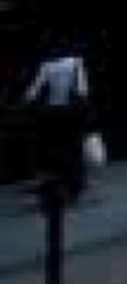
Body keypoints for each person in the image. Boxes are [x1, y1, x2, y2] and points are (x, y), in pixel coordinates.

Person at [25, 44, 92, 199]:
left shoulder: (47, 65)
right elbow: (83, 89)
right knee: (73, 148)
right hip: (71, 112)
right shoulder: (76, 63)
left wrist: (31, 105)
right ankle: (74, 184)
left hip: (52, 113)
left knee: (52, 147)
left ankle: (53, 180)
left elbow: (33, 92)